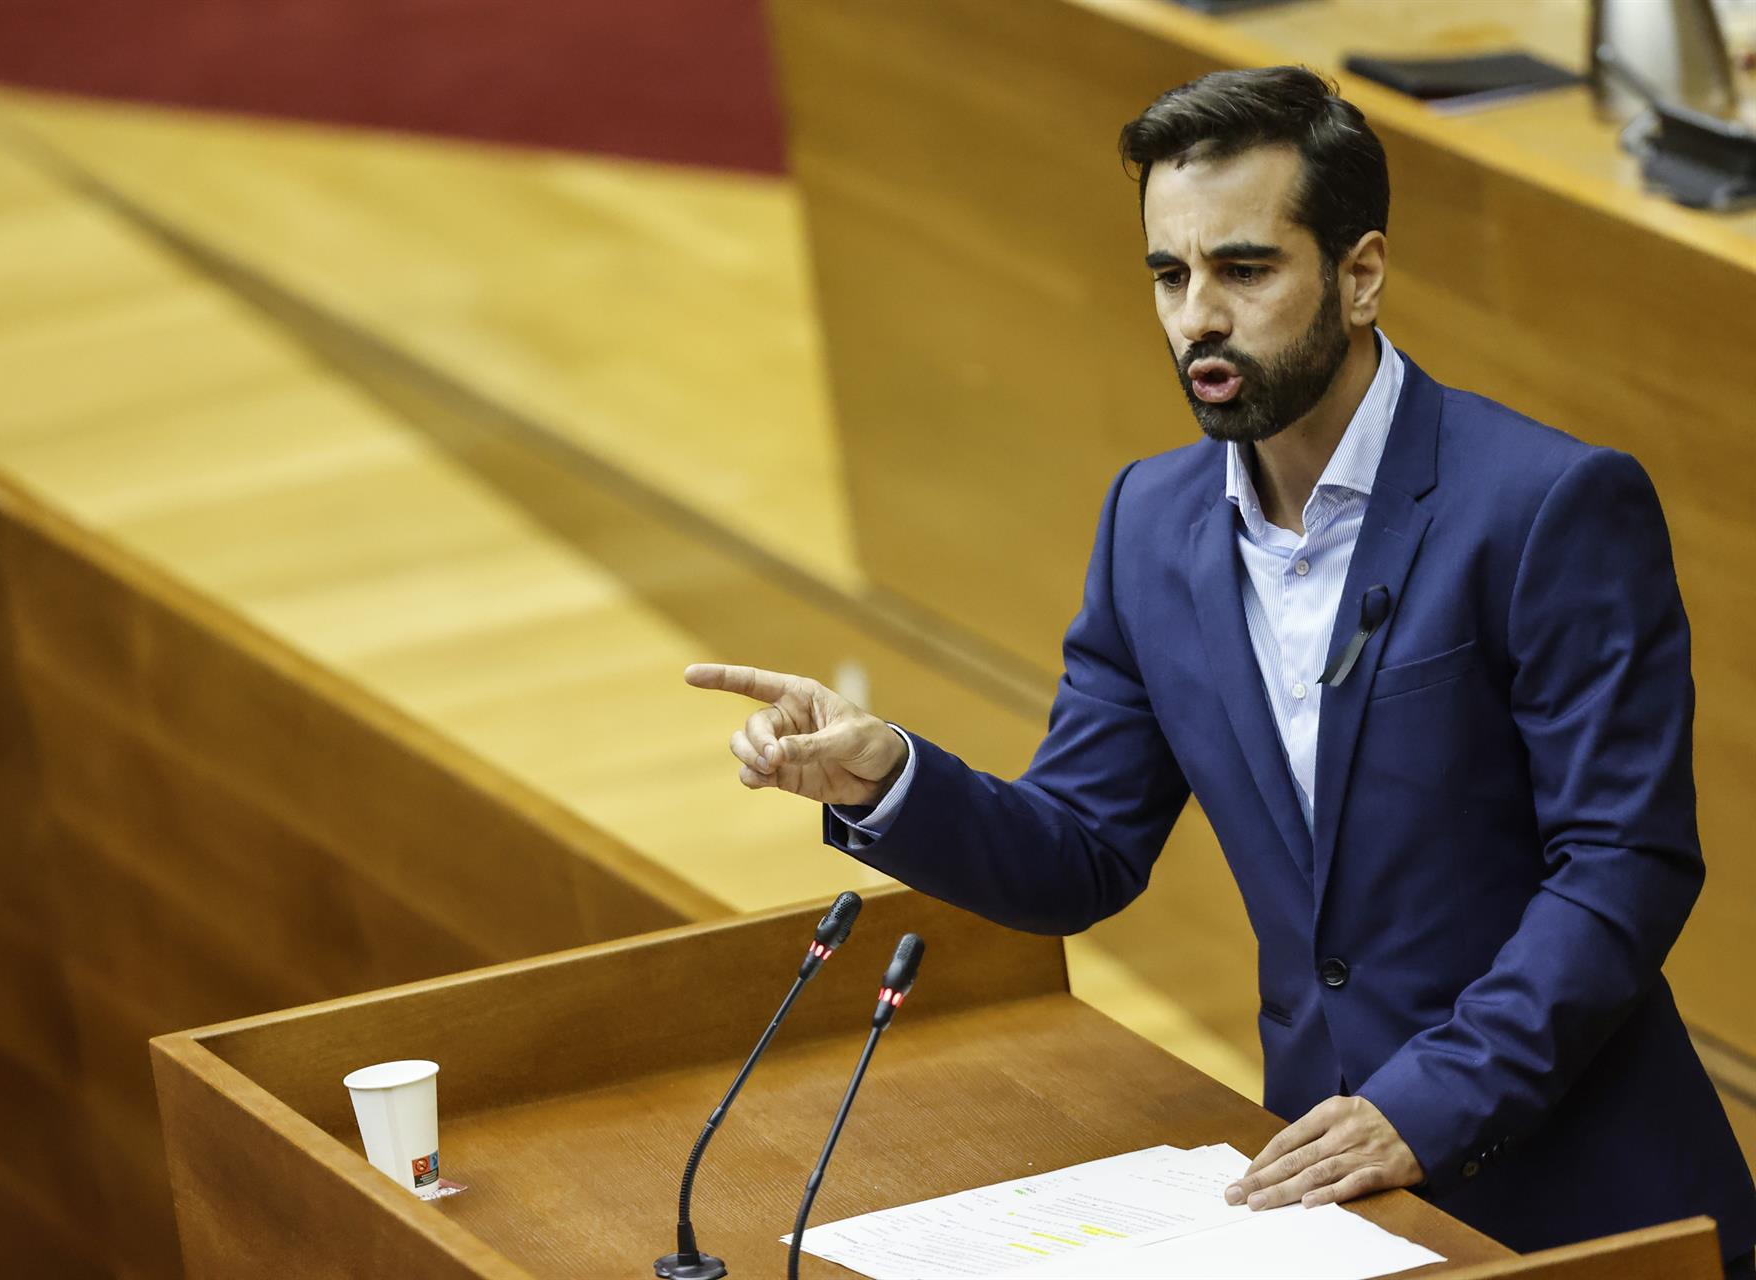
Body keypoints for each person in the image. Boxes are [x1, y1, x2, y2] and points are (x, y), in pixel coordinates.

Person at [686, 65, 1756, 1269]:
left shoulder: (1547, 505)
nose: (1198, 315)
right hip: (1330, 1203)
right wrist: (887, 777)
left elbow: (1622, 864)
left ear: (1360, 274)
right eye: (1170, 274)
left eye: (1244, 270)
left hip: (1591, 1203)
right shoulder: (1150, 522)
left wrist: (1429, 1102)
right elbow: (1082, 847)